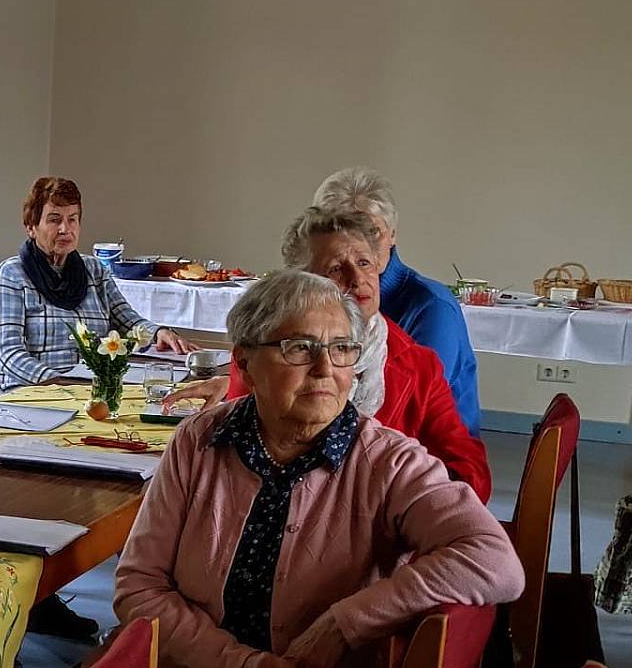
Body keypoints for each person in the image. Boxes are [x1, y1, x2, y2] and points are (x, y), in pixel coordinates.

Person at [115, 269, 522, 668]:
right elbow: (137, 587)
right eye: (299, 346)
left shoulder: (387, 463)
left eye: (341, 348)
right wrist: (236, 664)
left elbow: (495, 560)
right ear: (245, 362)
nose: (326, 367)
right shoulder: (199, 441)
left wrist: (346, 620)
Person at [170, 208, 491, 502]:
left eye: (365, 263)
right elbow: (234, 472)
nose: (358, 278)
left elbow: (470, 477)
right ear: (301, 282)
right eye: (337, 268)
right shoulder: (266, 357)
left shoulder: (419, 364)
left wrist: (394, 504)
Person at [313, 167, 481, 436]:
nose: (360, 243)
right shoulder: (318, 301)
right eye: (345, 231)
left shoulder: (431, 306)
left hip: (427, 455)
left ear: (393, 234)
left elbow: (411, 410)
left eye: (372, 232)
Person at [0, 176, 193, 396]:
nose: (65, 229)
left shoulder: (94, 269)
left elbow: (128, 320)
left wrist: (159, 332)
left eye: (73, 219)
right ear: (31, 227)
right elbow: (9, 354)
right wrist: (62, 384)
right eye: (54, 220)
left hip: (89, 393)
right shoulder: (11, 273)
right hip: (30, 392)